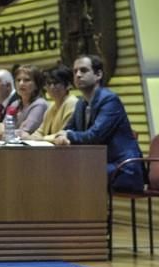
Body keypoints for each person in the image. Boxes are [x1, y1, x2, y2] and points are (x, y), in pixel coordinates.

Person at [54, 55, 144, 192]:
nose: (78, 75)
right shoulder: (81, 104)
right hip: (100, 165)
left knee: (72, 175)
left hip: (123, 169)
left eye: (83, 70)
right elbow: (66, 130)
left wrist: (68, 136)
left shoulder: (110, 100)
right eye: (75, 71)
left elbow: (95, 136)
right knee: (57, 170)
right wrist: (62, 136)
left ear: (98, 75)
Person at [23, 65, 78, 141]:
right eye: (48, 83)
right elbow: (40, 131)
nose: (52, 87)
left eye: (56, 83)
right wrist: (29, 137)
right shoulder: (52, 106)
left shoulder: (72, 103)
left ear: (68, 85)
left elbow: (64, 134)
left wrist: (41, 139)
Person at [0, 65, 48, 139]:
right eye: (18, 80)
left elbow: (25, 133)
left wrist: (5, 131)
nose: (21, 83)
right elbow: (0, 130)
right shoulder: (15, 104)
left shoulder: (40, 104)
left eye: (26, 80)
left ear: (36, 84)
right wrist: (5, 131)